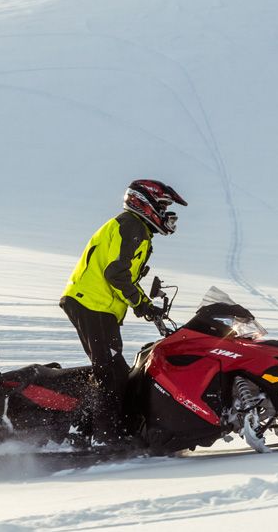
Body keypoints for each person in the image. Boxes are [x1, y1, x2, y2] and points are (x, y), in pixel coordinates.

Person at [60, 179, 187, 446]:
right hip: (91, 303)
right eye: (163, 206)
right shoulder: (131, 226)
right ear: (146, 203)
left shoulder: (136, 229)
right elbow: (116, 275)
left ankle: (96, 429)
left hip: (98, 306)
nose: (167, 214)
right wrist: (141, 304)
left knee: (115, 369)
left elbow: (121, 275)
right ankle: (105, 439)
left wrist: (145, 304)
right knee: (110, 371)